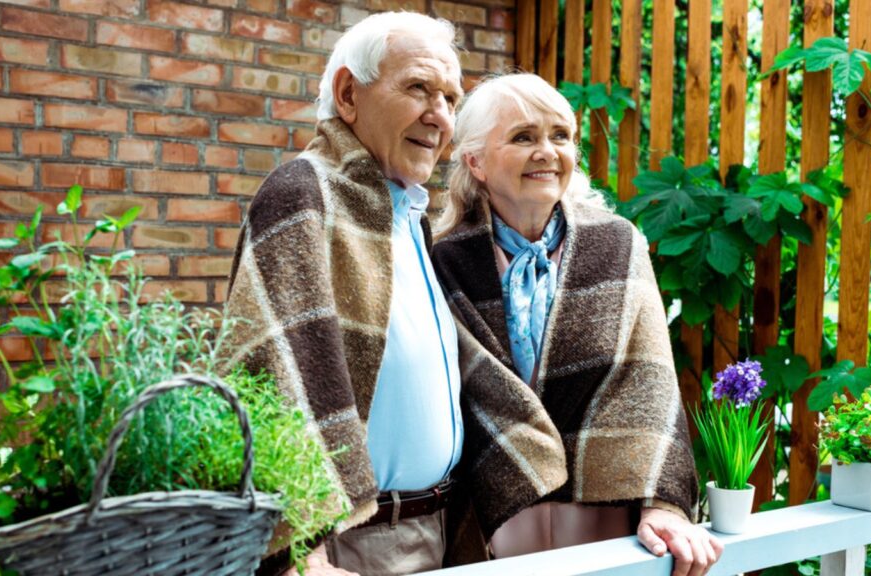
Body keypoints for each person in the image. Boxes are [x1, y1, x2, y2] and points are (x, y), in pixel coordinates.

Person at [221, 14, 565, 576]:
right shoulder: (305, 192)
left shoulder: (406, 212)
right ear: (348, 95)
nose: (440, 117)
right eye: (418, 89)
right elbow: (269, 376)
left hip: (435, 530)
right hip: (352, 546)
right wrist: (297, 553)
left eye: (450, 99)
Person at [431, 73, 724, 576]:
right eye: (524, 137)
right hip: (496, 510)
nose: (547, 151)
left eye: (560, 136)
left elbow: (649, 377)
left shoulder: (617, 243)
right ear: (474, 161)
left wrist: (662, 500)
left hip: (606, 509)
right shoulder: (445, 259)